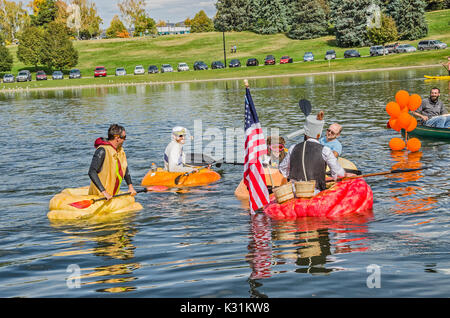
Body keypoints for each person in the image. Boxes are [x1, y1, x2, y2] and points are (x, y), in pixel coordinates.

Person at [279, 111, 352, 194]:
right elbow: (338, 173)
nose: (329, 133)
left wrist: (294, 176)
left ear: (305, 133)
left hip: (295, 191)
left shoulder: (293, 148)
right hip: (315, 192)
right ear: (319, 134)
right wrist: (344, 175)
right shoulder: (325, 150)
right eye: (328, 130)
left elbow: (282, 169)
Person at [88, 124, 137, 200]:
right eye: (124, 137)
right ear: (117, 138)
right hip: (100, 196)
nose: (125, 140)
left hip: (112, 195)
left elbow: (125, 168)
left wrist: (130, 187)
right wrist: (104, 192)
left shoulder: (120, 151)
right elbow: (92, 171)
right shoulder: (102, 150)